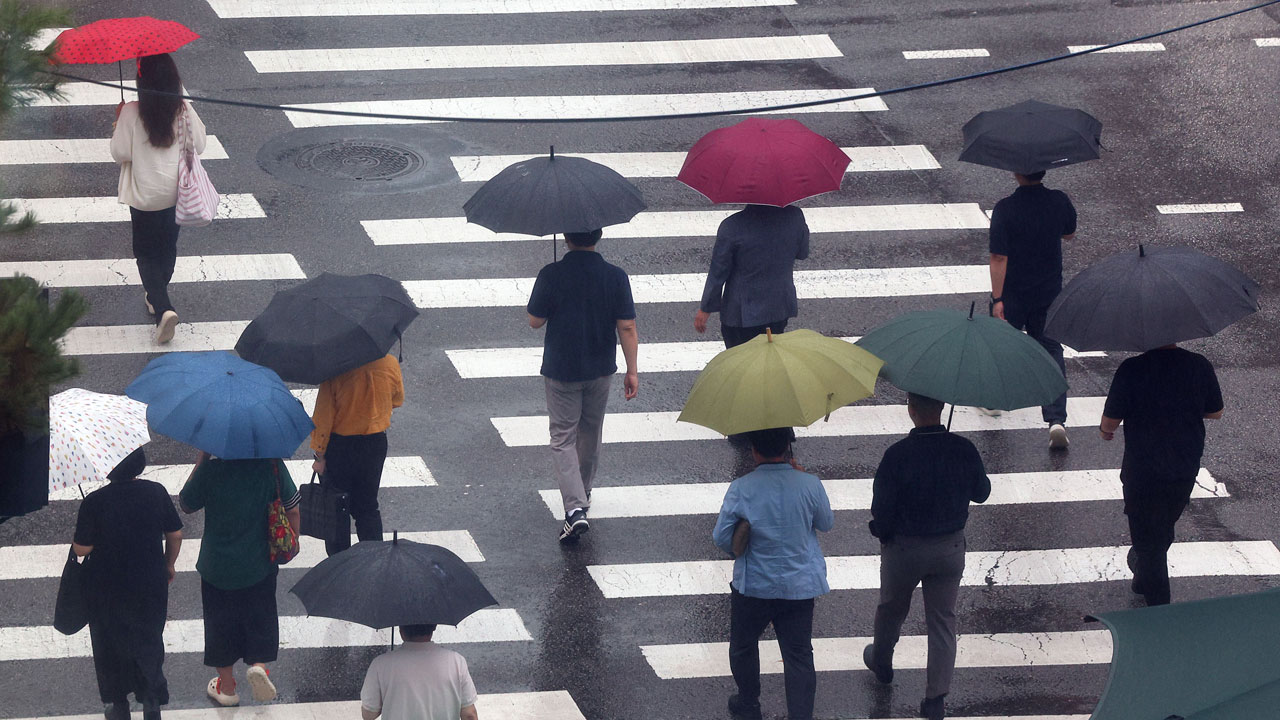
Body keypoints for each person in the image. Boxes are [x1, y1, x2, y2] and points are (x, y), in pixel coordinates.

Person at [863, 393, 991, 720]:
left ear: (911, 409)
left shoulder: (897, 456)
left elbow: (882, 510)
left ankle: (882, 661)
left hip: (904, 549)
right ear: (943, 408)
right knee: (943, 621)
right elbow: (982, 492)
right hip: (949, 549)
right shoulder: (963, 449)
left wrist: (884, 532)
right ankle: (935, 700)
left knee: (891, 608)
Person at [527, 228, 639, 543]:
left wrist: (551, 290)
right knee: (590, 431)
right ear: (598, 235)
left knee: (563, 437)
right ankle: (583, 491)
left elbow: (535, 320)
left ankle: (574, 509)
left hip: (562, 369)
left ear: (566, 237)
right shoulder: (615, 276)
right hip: (600, 368)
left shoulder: (551, 274)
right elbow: (627, 326)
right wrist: (632, 370)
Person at [713, 428, 833, 720]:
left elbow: (721, 537)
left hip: (753, 584)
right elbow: (825, 522)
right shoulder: (809, 484)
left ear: (754, 449)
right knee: (799, 655)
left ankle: (749, 703)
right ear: (787, 448)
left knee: (743, 645)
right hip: (800, 586)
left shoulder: (742, 487)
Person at [1100, 343, 1224, 606]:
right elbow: (1216, 411)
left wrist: (1105, 431)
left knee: (1149, 541)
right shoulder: (1198, 365)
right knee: (1163, 527)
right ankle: (1142, 574)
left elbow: (1110, 420)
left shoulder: (1131, 369)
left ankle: (1160, 610)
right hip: (1184, 464)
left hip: (1142, 468)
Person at [179, 450, 300, 707]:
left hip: (217, 566)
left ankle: (227, 687)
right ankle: (258, 666)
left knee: (219, 625)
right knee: (261, 616)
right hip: (259, 563)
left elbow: (187, 504)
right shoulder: (271, 466)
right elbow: (293, 506)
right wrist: (294, 540)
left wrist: (201, 461)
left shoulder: (211, 471)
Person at [72, 448, 182, 720]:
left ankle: (117, 702)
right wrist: (168, 563)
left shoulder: (95, 501)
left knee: (109, 642)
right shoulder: (156, 492)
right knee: (148, 638)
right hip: (150, 581)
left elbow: (82, 550)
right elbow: (175, 533)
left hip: (107, 586)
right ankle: (151, 699)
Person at [110, 53, 206, 344]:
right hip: (176, 193)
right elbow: (199, 144)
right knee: (166, 248)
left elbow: (120, 154)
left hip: (143, 196)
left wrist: (119, 122)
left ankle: (162, 307)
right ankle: (157, 294)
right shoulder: (183, 110)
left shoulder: (131, 113)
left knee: (145, 252)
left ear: (141, 81)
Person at [987, 170, 1076, 448]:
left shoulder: (1005, 209)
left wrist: (996, 299)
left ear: (1015, 173)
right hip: (1048, 292)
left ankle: (994, 401)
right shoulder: (1059, 201)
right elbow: (1069, 233)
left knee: (999, 345)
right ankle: (1056, 419)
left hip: (1013, 293)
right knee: (1050, 350)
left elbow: (999, 256)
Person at [311, 353, 404, 555]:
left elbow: (324, 416)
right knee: (368, 506)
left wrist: (319, 455)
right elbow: (397, 399)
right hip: (375, 443)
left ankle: (339, 564)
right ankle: (374, 559)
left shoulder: (335, 369)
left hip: (340, 447)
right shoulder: (389, 363)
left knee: (336, 508)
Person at [694, 204, 810, 348]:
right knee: (771, 358)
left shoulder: (732, 226)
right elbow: (802, 253)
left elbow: (718, 271)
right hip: (778, 306)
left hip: (740, 314)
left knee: (740, 362)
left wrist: (706, 308)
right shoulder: (795, 216)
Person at [360, 624, 479, 720]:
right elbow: (469, 714)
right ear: (434, 628)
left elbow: (369, 714)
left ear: (401, 630)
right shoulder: (456, 661)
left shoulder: (381, 664)